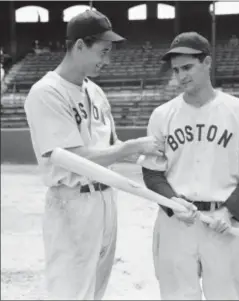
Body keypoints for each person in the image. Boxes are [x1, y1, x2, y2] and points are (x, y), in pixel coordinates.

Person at [24, 10, 166, 300]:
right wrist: (132, 148)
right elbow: (72, 157)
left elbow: (110, 146)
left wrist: (146, 157)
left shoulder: (96, 91)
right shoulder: (46, 92)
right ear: (79, 46)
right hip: (72, 202)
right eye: (102, 51)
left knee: (96, 291)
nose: (107, 60)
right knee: (72, 293)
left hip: (105, 200)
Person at [140, 32, 239, 300]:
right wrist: (172, 202)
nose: (181, 76)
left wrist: (230, 211)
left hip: (223, 222)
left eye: (187, 67)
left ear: (207, 62)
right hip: (176, 223)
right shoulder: (162, 115)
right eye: (176, 70)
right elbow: (152, 172)